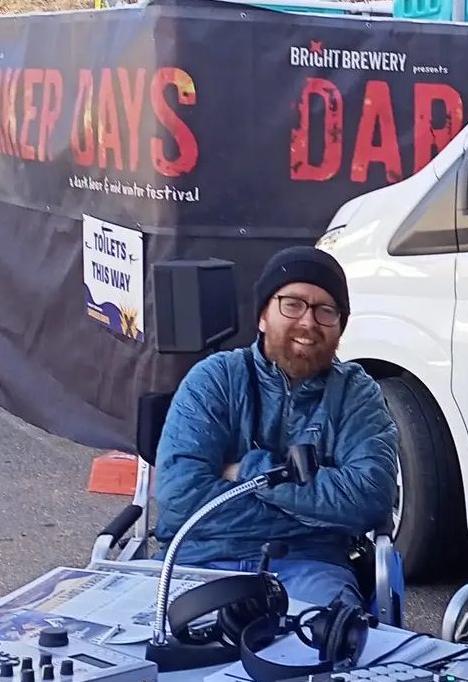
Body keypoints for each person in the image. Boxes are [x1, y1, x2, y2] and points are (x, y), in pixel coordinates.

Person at [153, 246, 400, 608]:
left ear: (340, 328)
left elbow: (371, 500)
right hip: (199, 560)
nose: (309, 322)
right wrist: (317, 514)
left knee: (330, 651)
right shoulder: (215, 379)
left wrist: (248, 472)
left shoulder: (356, 394)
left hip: (310, 567)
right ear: (263, 316)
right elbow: (180, 497)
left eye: (326, 311)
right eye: (293, 304)